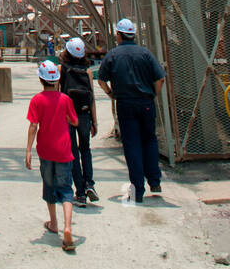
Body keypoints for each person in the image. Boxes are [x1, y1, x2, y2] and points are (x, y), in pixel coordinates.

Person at [97, 18, 166, 204]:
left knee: (132, 145)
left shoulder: (112, 55)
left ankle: (138, 189)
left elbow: (101, 80)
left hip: (125, 103)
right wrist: (152, 96)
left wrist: (111, 93)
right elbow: (160, 79)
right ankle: (155, 180)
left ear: (119, 35)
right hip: (146, 102)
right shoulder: (145, 53)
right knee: (150, 140)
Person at [26, 59, 79, 252]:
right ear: (57, 80)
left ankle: (54, 223)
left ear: (41, 80)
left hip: (45, 151)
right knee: (66, 188)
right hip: (64, 151)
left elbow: (33, 126)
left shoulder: (36, 100)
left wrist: (28, 151)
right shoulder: (65, 100)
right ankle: (67, 226)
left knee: (49, 186)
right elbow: (74, 122)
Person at [60, 37, 99, 207]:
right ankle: (90, 183)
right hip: (84, 115)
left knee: (73, 153)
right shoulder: (88, 72)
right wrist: (94, 121)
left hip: (67, 116)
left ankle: (80, 194)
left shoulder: (62, 69)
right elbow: (92, 98)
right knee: (86, 150)